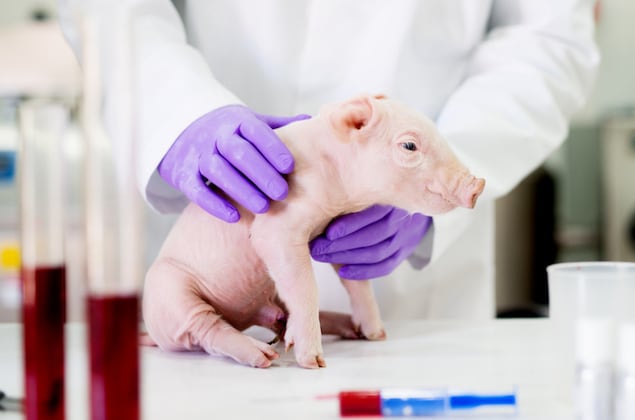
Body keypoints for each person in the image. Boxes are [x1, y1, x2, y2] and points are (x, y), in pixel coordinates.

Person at [59, 0, 599, 320]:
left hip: (416, 305)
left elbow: (548, 39)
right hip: (204, 257)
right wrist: (176, 113)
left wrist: (435, 182)